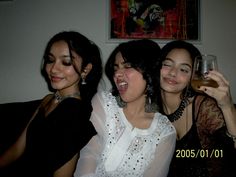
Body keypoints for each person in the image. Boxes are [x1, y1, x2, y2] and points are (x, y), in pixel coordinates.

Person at [0, 31, 103, 177]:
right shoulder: (48, 99)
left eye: (66, 62)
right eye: (50, 60)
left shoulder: (76, 113)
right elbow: (18, 148)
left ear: (85, 69)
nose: (53, 69)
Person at [74, 39, 176, 177]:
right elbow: (89, 154)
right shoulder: (104, 103)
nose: (117, 74)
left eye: (127, 66)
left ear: (149, 71)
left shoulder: (164, 132)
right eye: (116, 67)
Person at [159, 40, 236, 177]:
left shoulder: (204, 108)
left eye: (184, 69)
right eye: (167, 64)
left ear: (193, 76)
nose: (172, 72)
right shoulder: (152, 109)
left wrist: (227, 105)